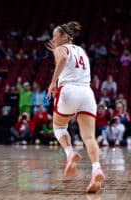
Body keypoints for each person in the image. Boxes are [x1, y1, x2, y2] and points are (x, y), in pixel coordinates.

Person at [47, 21, 104, 193]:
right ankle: (96, 169)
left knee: (58, 126)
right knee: (89, 137)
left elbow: (63, 58)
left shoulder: (61, 48)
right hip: (87, 93)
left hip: (69, 90)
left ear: (64, 37)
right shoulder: (82, 51)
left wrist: (52, 83)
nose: (53, 39)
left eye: (55, 36)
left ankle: (70, 153)